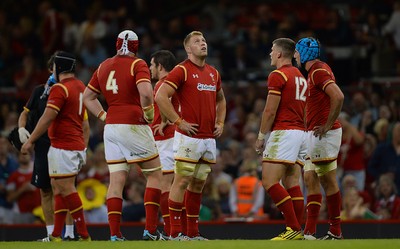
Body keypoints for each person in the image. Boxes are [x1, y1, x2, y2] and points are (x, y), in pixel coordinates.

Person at [83, 30, 163, 241]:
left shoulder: (103, 65)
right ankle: (151, 231)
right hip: (133, 123)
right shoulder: (138, 64)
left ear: (116, 44)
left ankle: (115, 234)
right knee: (155, 175)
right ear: (136, 47)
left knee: (116, 181)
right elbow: (146, 93)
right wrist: (148, 113)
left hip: (111, 127)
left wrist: (103, 115)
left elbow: (87, 96)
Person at [155, 31, 226, 240]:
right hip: (189, 137)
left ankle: (193, 234)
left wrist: (220, 122)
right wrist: (178, 122)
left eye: (204, 40)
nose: (203, 43)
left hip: (207, 138)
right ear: (188, 49)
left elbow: (221, 100)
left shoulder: (213, 72)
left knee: (198, 184)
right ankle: (175, 233)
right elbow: (160, 96)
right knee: (182, 181)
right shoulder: (182, 70)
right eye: (197, 41)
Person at [21, 51, 91, 242]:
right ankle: (55, 235)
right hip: (74, 144)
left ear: (58, 68)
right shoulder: (80, 86)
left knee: (67, 189)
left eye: (53, 67)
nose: (52, 71)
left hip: (63, 145)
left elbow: (47, 118)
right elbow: (84, 123)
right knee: (57, 188)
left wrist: (30, 140)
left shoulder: (60, 89)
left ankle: (84, 235)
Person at [254, 38, 307, 240]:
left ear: (278, 54)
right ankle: (297, 231)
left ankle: (293, 228)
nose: (269, 54)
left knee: (269, 181)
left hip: (284, 132)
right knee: (292, 181)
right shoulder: (301, 76)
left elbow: (269, 110)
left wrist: (261, 136)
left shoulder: (278, 75)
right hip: (301, 132)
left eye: (271, 50)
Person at [295, 37, 345, 240]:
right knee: (310, 177)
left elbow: (338, 96)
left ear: (303, 54)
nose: (296, 56)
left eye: (297, 53)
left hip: (324, 133)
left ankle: (335, 230)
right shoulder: (318, 69)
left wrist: (326, 125)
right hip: (313, 134)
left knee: (327, 180)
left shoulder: (317, 71)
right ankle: (309, 232)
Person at [149, 50, 178, 239]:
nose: (150, 68)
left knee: (164, 185)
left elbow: (170, 105)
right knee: (174, 185)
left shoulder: (163, 84)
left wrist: (166, 121)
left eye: (152, 65)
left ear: (160, 66)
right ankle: (176, 229)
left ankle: (170, 231)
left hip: (165, 138)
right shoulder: (177, 82)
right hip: (172, 137)